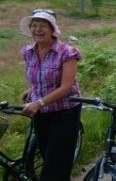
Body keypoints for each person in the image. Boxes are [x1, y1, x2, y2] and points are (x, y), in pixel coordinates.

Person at [19, 9, 81, 181]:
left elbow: (66, 87)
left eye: (43, 26)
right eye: (34, 25)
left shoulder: (66, 52)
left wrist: (38, 102)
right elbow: (38, 76)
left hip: (64, 112)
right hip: (41, 114)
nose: (38, 29)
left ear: (52, 29)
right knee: (50, 159)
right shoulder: (28, 52)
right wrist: (31, 90)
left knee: (55, 167)